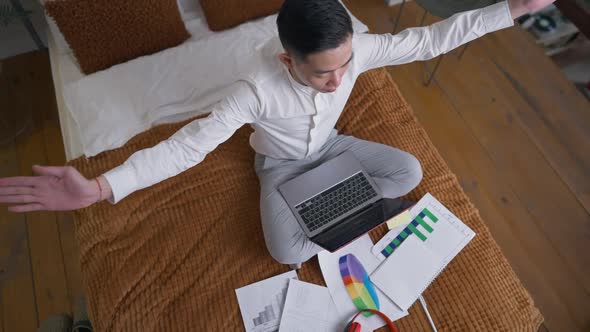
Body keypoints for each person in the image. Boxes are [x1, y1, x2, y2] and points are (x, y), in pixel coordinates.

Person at [0, 0, 553, 265]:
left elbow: (430, 41)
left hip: (334, 148)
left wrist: (510, 10)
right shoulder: (252, 90)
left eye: (345, 65)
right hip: (280, 168)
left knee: (408, 171)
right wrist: (101, 187)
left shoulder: (354, 53)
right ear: (288, 60)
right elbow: (186, 147)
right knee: (287, 253)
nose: (339, 82)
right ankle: (324, 205)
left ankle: (330, 204)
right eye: (322, 73)